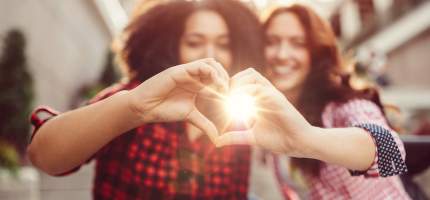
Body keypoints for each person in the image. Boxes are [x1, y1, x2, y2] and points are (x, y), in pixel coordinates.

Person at [28, 0, 265, 199]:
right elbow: (44, 157)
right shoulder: (138, 97)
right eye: (194, 43)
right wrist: (131, 108)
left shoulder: (236, 122)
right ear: (170, 47)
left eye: (223, 45)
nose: (210, 55)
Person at [216, 4, 410, 199]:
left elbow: (390, 151)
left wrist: (305, 139)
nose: (282, 54)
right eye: (272, 42)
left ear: (317, 52)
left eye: (298, 43)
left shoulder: (342, 106)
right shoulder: (269, 115)